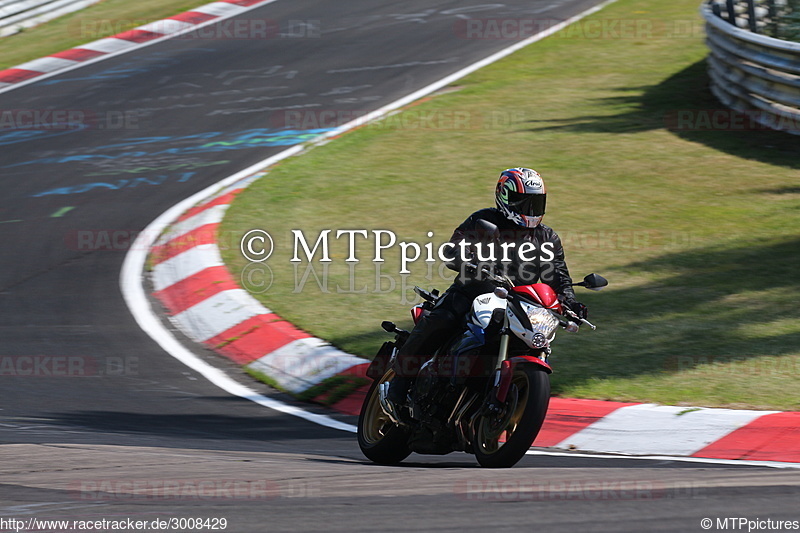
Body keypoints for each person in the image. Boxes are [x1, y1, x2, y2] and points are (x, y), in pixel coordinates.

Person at [385, 167, 587, 407]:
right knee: (443, 318)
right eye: (523, 202)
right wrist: (467, 260)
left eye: (535, 202)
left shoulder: (547, 238)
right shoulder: (485, 221)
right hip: (473, 291)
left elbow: (559, 276)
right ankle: (401, 381)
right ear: (505, 197)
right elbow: (452, 249)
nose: (529, 210)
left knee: (535, 339)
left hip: (520, 304)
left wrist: (571, 302)